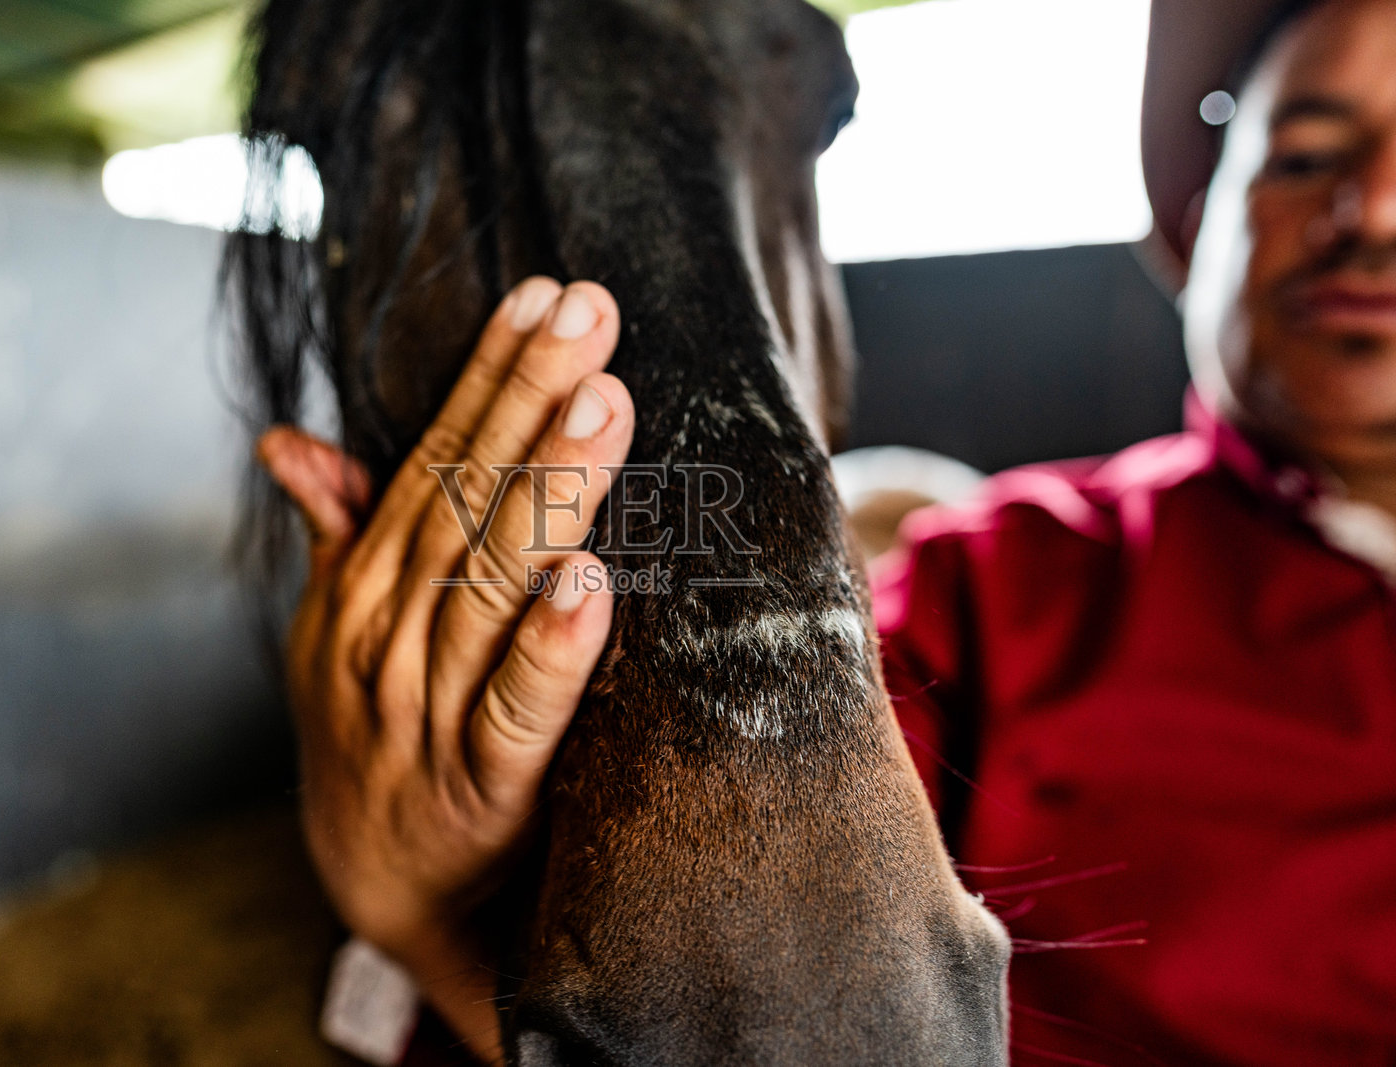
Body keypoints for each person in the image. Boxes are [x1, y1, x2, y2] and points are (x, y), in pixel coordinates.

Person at [257, 0, 1396, 1062]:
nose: (1377, 207)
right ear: (1198, 218)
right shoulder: (984, 597)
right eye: (1302, 157)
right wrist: (433, 917)